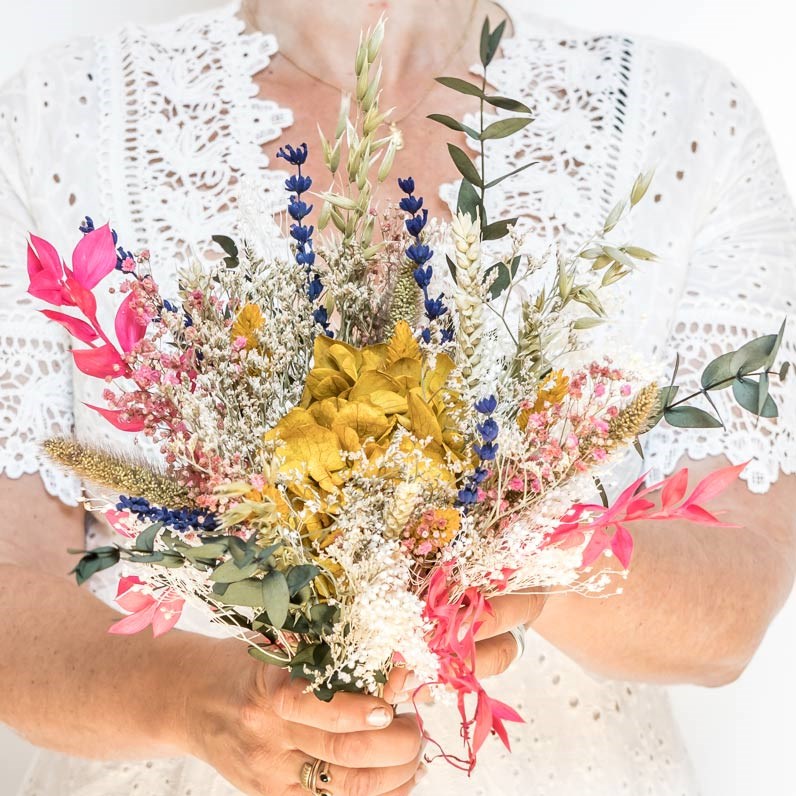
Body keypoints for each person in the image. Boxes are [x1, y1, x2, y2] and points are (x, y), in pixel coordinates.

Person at [1, 1, 794, 794]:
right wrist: (199, 700)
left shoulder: (684, 115)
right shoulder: (59, 109)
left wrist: (513, 550)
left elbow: (736, 603)